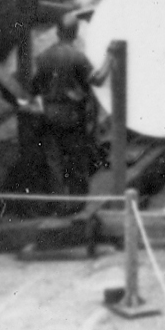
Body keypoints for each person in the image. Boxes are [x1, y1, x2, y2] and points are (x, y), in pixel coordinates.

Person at [28, 12, 102, 202]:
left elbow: (34, 87)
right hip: (72, 115)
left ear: (57, 32)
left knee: (55, 161)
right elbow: (94, 81)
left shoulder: (43, 57)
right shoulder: (78, 57)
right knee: (76, 157)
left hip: (49, 113)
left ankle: (59, 203)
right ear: (75, 33)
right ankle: (78, 202)